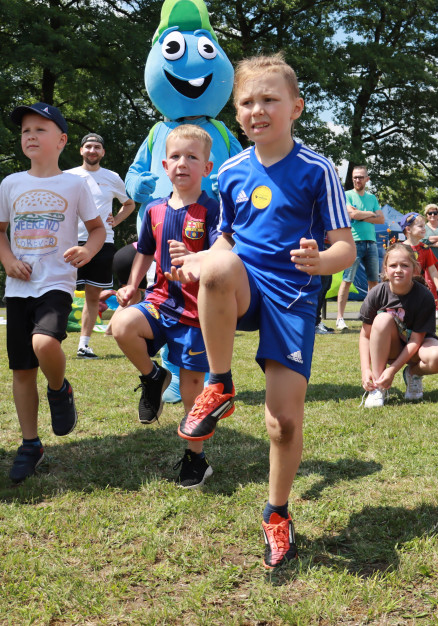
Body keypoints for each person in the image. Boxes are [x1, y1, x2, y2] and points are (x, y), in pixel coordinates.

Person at [168, 54, 354, 569]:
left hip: (292, 298)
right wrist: (205, 258)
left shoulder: (317, 169)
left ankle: (276, 514)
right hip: (244, 285)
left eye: (269, 100)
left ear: (295, 107)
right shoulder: (228, 171)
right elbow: (225, 237)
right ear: (237, 114)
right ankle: (219, 383)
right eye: (247, 102)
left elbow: (347, 248)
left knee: (283, 423)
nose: (258, 110)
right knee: (218, 268)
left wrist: (322, 262)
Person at [0, 103, 103, 483]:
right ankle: (30, 444)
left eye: (40, 129)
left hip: (56, 282)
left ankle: (59, 388)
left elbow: (98, 229)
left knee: (44, 344)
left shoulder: (75, 184)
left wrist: (87, 250)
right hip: (18, 287)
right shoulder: (10, 184)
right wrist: (7, 261)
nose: (31, 135)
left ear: (62, 140)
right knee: (22, 370)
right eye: (25, 131)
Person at [110, 125, 220, 488]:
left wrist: (196, 259)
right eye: (175, 156)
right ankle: (153, 376)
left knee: (193, 388)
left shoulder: (213, 208)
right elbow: (143, 250)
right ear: (163, 165)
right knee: (122, 325)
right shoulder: (154, 210)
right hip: (160, 302)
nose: (182, 163)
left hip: (198, 313)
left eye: (192, 157)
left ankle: (195, 457)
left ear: (207, 167)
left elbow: (225, 254)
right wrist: (132, 285)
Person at [65, 133, 134, 359]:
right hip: (70, 241)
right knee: (60, 292)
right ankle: (51, 339)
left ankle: (84, 346)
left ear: (102, 152)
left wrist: (116, 220)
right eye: (88, 146)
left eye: (97, 147)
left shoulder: (112, 177)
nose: (92, 150)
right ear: (81, 150)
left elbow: (129, 204)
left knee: (93, 296)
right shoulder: (67, 176)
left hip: (103, 243)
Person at [359, 243, 438, 407]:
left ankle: (413, 373)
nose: (398, 270)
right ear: (385, 269)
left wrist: (392, 370)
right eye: (393, 265)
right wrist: (366, 370)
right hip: (391, 347)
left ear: (415, 269)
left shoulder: (424, 296)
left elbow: (415, 340)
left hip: (416, 348)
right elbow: (365, 336)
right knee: (382, 319)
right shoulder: (376, 293)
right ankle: (378, 387)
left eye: (404, 265)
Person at [334, 165, 383, 333]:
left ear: (367, 179)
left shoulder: (372, 197)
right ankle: (340, 318)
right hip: (353, 242)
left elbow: (381, 219)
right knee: (347, 280)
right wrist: (371, 214)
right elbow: (352, 215)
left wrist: (363, 214)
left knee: (374, 283)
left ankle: (371, 316)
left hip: (371, 242)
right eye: (355, 177)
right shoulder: (347, 195)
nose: (357, 180)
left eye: (361, 177)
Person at [400, 212, 438, 312]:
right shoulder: (400, 249)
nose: (424, 229)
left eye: (424, 226)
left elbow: (433, 271)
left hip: (419, 289)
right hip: (402, 288)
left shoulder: (425, 248)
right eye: (420, 226)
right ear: (408, 229)